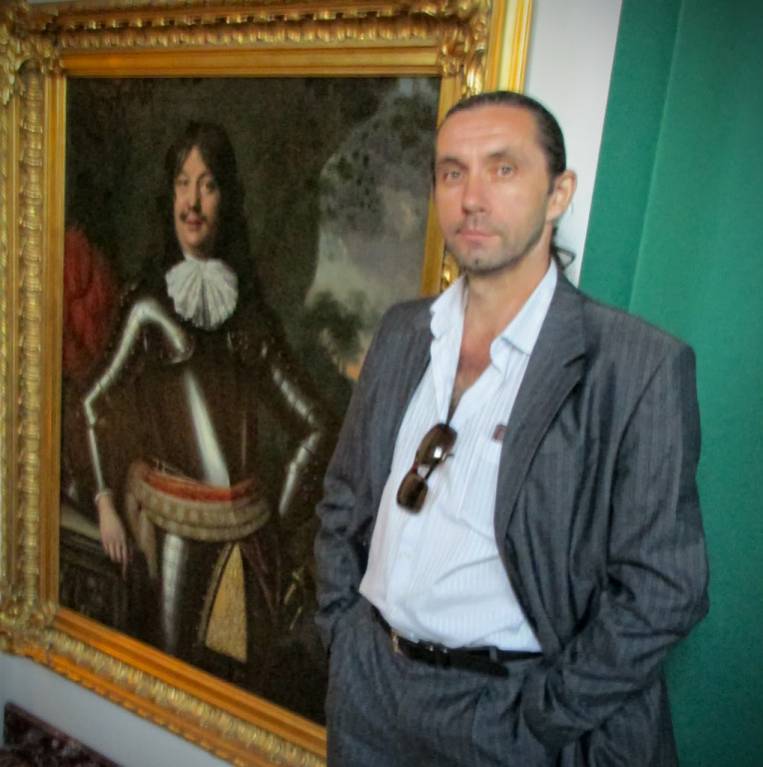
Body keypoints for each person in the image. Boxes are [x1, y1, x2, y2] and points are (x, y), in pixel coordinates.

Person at [314, 91, 708, 766]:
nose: (472, 198)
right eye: (452, 172)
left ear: (558, 194)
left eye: (502, 169)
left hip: (505, 713)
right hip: (369, 690)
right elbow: (345, 498)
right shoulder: (402, 332)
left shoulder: (636, 366)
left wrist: (547, 714)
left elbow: (664, 588)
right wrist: (341, 632)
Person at [83, 121, 329, 680]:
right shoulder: (148, 305)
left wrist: (276, 523)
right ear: (169, 195)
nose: (192, 202)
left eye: (208, 185)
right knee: (169, 680)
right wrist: (104, 503)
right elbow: (94, 403)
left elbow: (317, 425)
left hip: (246, 541)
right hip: (169, 532)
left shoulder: (250, 314)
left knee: (236, 691)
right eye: (182, 183)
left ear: (227, 199)